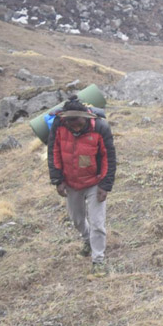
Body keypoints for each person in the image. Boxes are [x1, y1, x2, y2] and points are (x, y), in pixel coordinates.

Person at [47, 95, 116, 277]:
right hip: (71, 183)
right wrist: (57, 180)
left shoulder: (100, 128)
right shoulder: (59, 125)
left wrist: (105, 185)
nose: (74, 127)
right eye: (70, 123)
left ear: (86, 118)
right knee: (77, 220)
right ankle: (87, 240)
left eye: (77, 122)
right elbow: (53, 151)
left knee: (97, 223)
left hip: (95, 183)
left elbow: (109, 157)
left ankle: (98, 260)